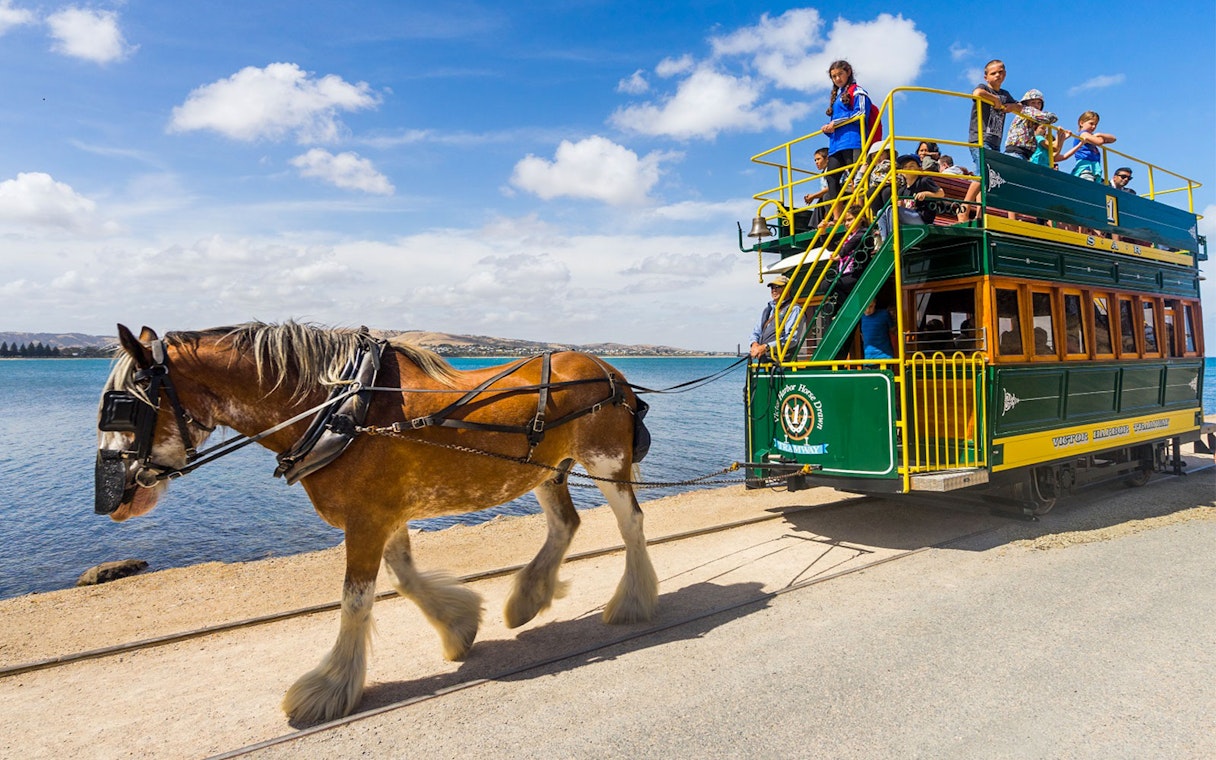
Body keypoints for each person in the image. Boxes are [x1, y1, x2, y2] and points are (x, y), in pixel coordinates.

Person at [959, 60, 1024, 220]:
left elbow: (1019, 107)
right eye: (994, 73)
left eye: (1001, 72)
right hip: (980, 138)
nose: (998, 75)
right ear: (986, 76)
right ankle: (962, 210)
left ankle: (981, 214)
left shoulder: (1005, 94)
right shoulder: (984, 88)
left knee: (988, 178)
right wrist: (995, 100)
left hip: (995, 142)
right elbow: (977, 94)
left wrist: (1012, 107)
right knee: (983, 173)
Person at [820, 60, 875, 216]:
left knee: (857, 176)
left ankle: (861, 213)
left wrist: (835, 123)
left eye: (840, 74)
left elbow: (861, 113)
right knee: (831, 177)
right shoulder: (837, 97)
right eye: (834, 76)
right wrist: (829, 128)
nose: (837, 79)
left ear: (848, 72)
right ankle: (837, 216)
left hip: (853, 140)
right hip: (836, 144)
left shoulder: (857, 91)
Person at [876, 154, 945, 241]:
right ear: (901, 171)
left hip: (922, 219)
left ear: (919, 169)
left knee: (892, 210)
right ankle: (885, 240)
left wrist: (926, 193)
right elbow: (903, 207)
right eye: (905, 167)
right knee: (880, 212)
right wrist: (900, 205)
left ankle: (892, 239)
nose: (908, 169)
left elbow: (941, 193)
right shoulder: (902, 189)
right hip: (909, 217)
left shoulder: (924, 181)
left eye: (912, 166)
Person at [749, 275, 804, 360]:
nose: (774, 290)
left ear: (788, 288)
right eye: (772, 287)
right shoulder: (767, 310)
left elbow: (791, 339)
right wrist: (754, 344)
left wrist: (766, 347)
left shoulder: (794, 309)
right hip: (765, 361)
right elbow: (756, 332)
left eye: (778, 287)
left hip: (782, 364)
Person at [1056, 111, 1117, 182]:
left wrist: (1099, 134)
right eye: (1091, 123)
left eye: (1096, 124)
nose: (1093, 127)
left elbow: (1113, 139)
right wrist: (1100, 138)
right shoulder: (1083, 134)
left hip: (1094, 169)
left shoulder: (1092, 136)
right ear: (1081, 123)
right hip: (1086, 168)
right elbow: (1099, 142)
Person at [1004, 89, 1057, 159]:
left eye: (1039, 103)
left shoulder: (1035, 118)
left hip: (1025, 154)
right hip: (1016, 152)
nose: (1036, 105)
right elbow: (1050, 118)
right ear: (1026, 103)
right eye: (1033, 102)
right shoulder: (1026, 110)